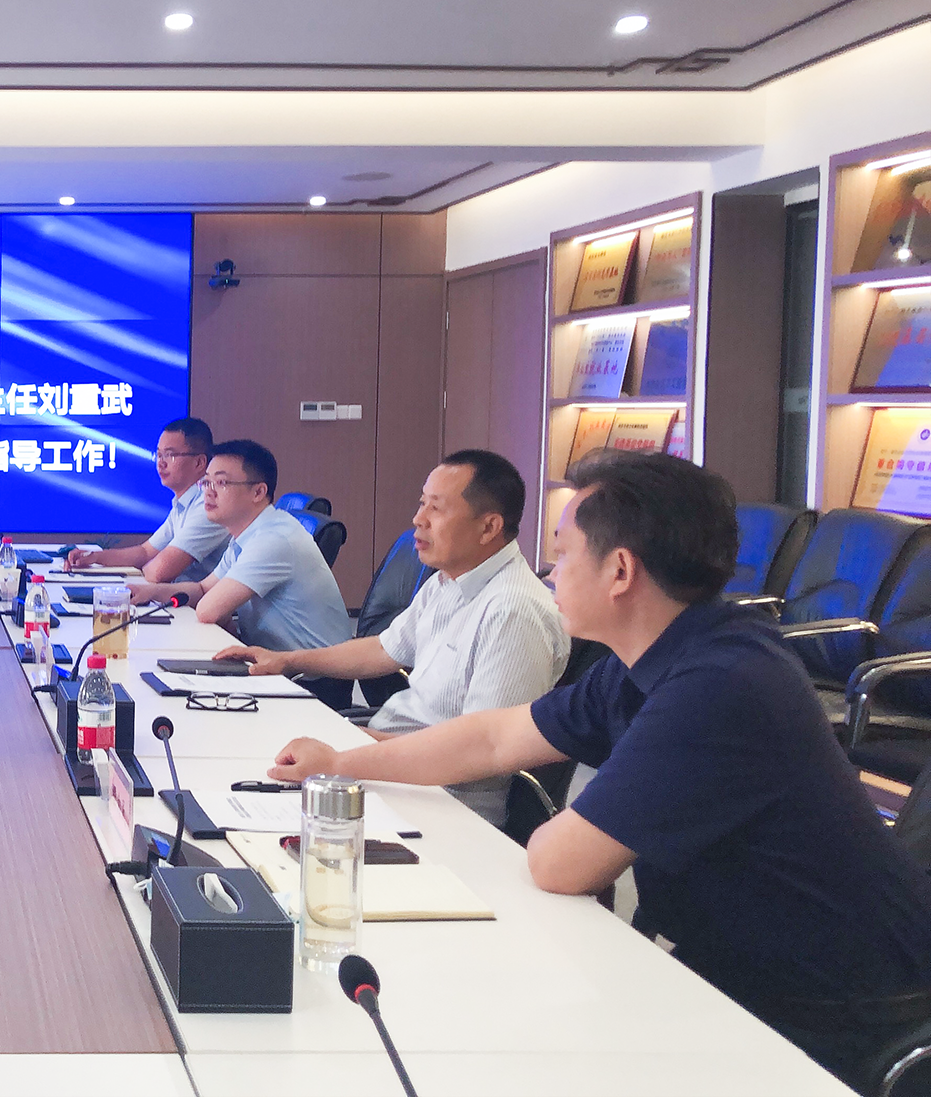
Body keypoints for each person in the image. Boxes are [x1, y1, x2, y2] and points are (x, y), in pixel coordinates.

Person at [267, 452, 931, 1093]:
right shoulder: (657, 653)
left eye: (563, 553)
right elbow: (494, 737)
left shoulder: (721, 684)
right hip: (732, 967)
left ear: (619, 570)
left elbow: (562, 862)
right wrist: (341, 765)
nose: (550, 572)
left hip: (829, 1016)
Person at [214, 450, 568, 825]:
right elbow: (383, 649)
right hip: (387, 766)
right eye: (422, 503)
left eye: (436, 508)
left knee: (246, 815)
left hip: (441, 802)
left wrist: (342, 756)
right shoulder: (448, 581)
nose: (419, 519)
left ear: (488, 527)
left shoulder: (513, 611)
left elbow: (477, 756)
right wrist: (286, 660)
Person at [129, 440, 350, 652]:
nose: (208, 492)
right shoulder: (246, 534)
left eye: (222, 483)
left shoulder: (274, 539)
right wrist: (150, 592)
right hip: (271, 659)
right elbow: (203, 589)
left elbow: (207, 610)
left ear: (258, 492)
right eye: (206, 482)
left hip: (308, 673)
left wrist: (222, 616)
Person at [66, 417, 226, 583]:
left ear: (199, 462)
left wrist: (144, 569)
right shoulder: (183, 503)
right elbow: (145, 552)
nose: (161, 463)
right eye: (159, 455)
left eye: (170, 455)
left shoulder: (209, 504)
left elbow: (160, 572)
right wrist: (94, 557)